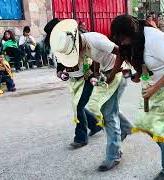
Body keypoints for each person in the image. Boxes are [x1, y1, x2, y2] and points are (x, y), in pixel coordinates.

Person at [50, 19, 132, 171]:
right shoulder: (84, 44)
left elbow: (121, 52)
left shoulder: (95, 40)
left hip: (117, 74)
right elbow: (96, 58)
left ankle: (114, 155)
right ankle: (126, 127)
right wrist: (95, 72)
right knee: (107, 109)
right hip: (105, 75)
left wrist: (113, 75)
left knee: (108, 114)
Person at [111, 15, 164, 180]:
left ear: (131, 33)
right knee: (144, 123)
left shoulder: (154, 38)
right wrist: (138, 75)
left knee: (160, 128)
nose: (122, 43)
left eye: (123, 39)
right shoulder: (136, 41)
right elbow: (148, 63)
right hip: (155, 86)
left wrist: (154, 88)